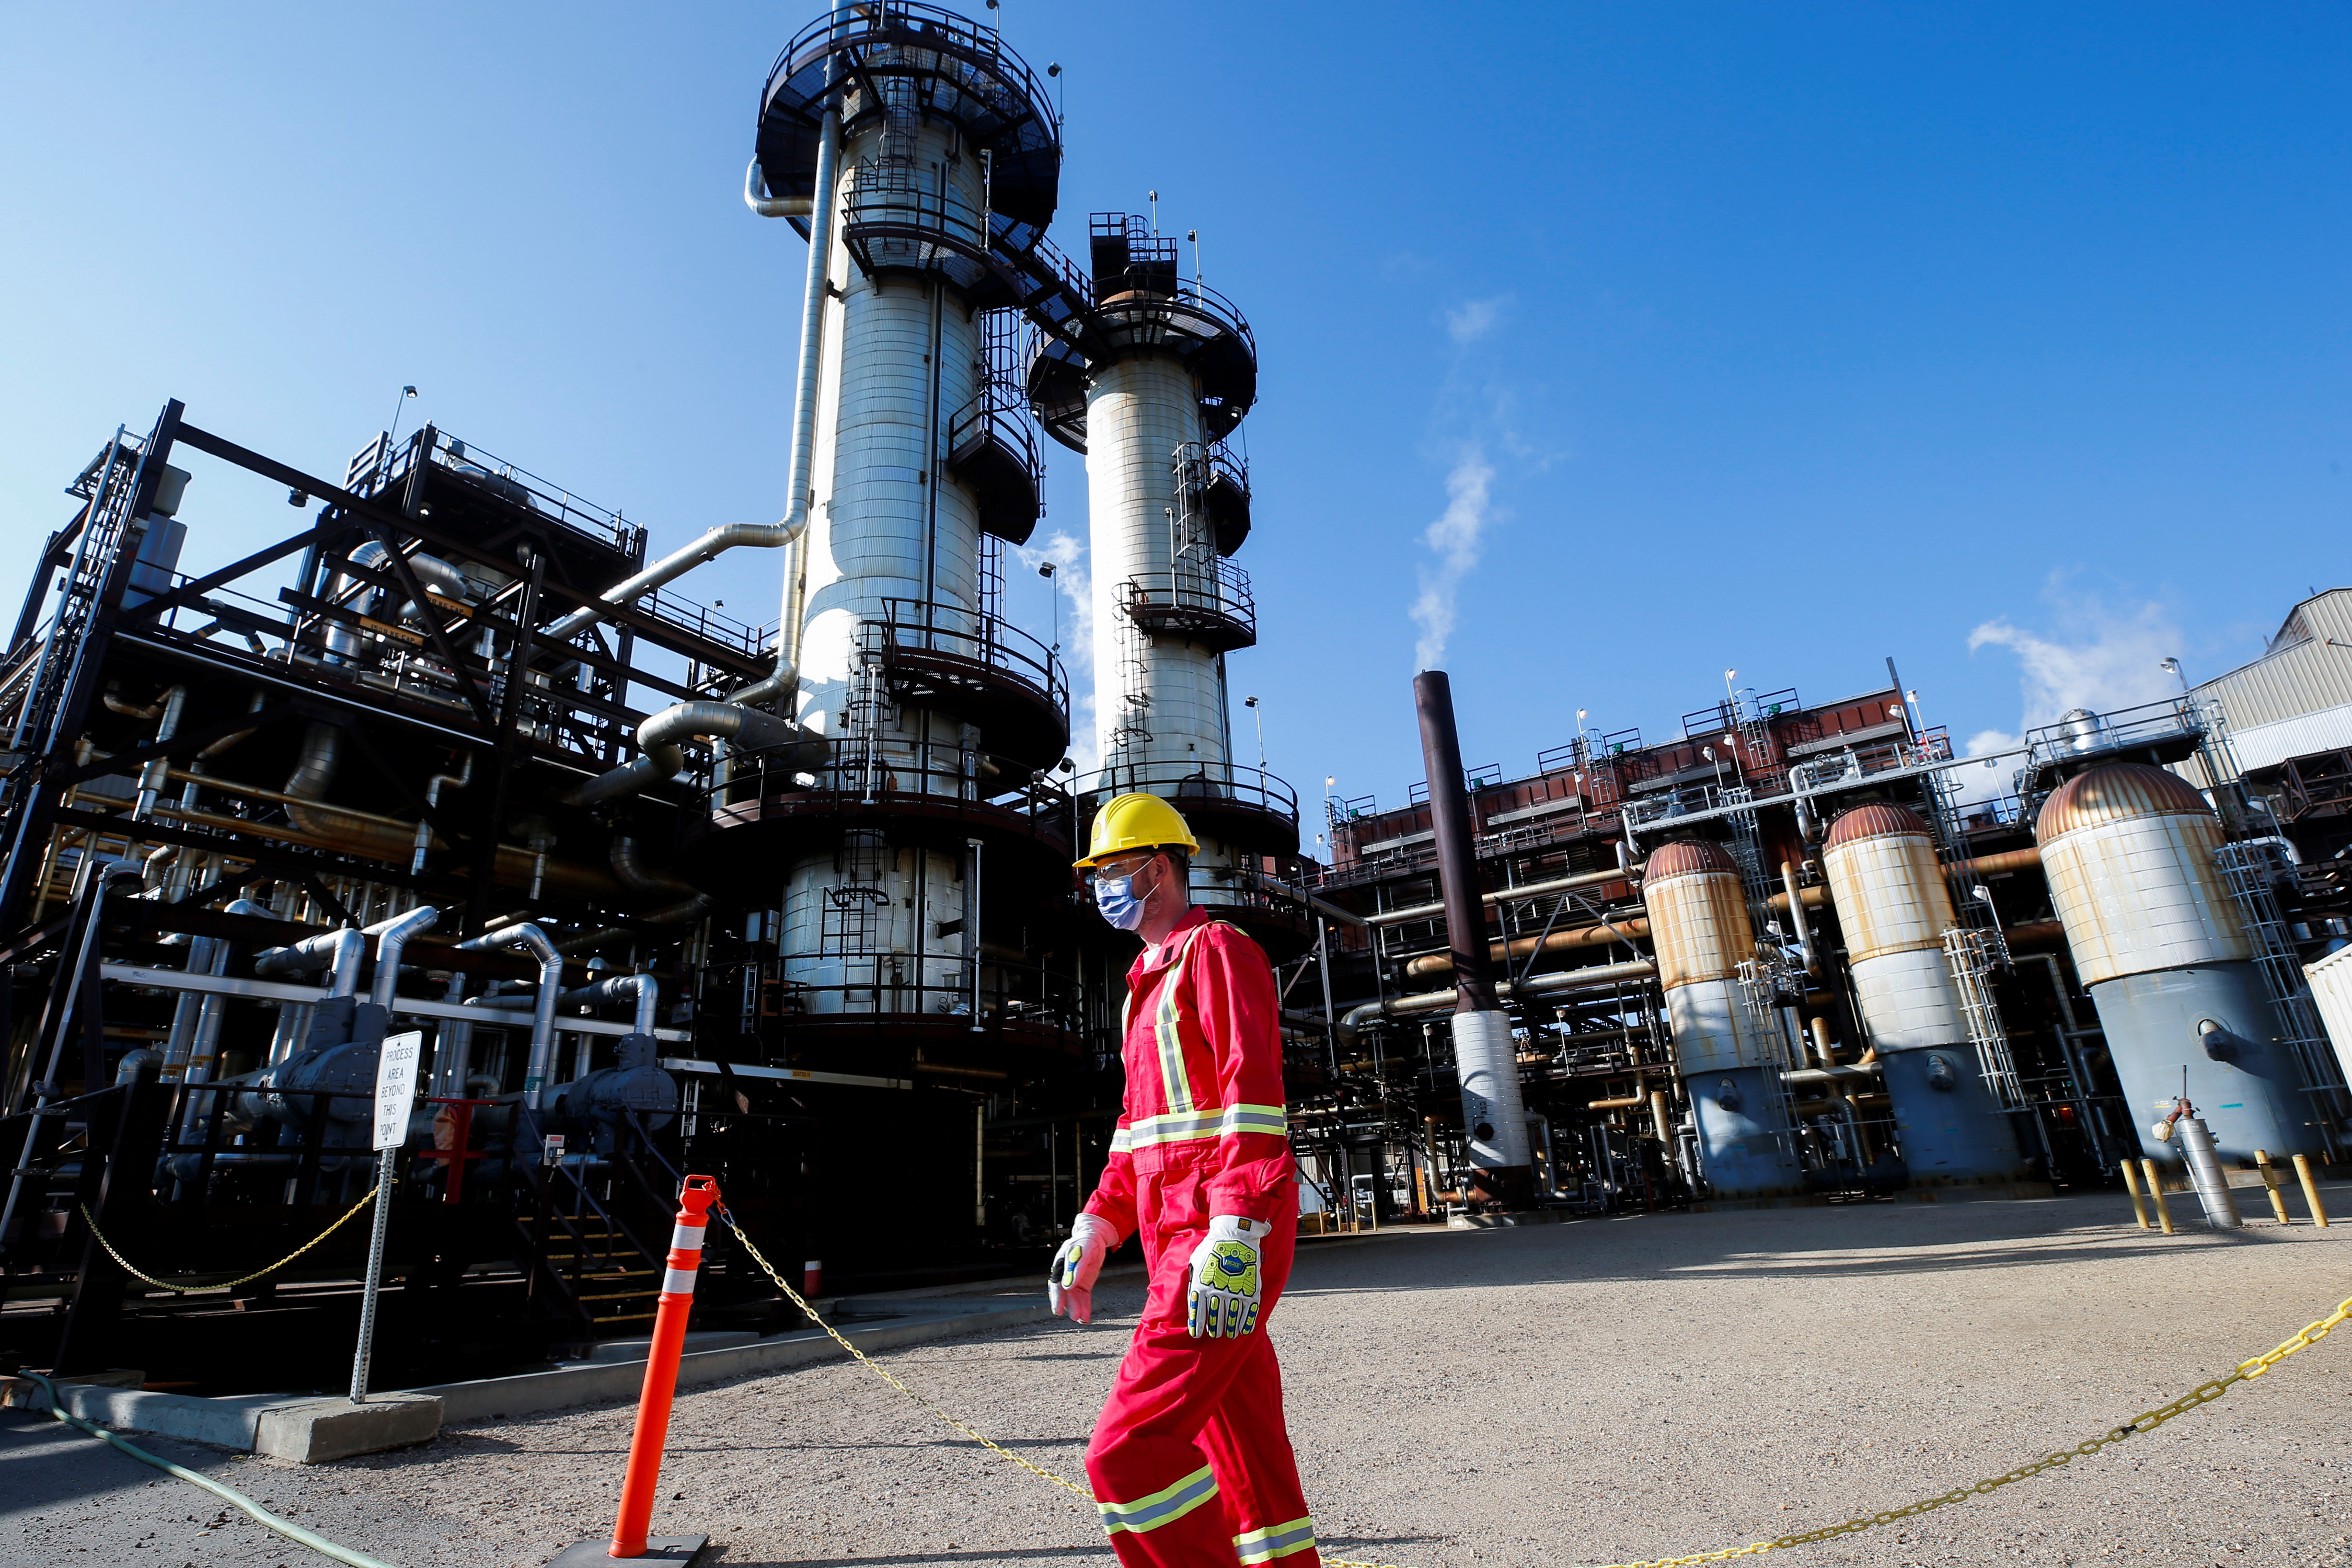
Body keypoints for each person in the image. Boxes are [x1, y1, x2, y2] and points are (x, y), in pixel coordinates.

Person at [1047, 793, 1320, 1567]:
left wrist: (1235, 1232)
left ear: (1157, 868)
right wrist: (1097, 1228)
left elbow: (1253, 1102)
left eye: (1110, 869)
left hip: (1224, 1239)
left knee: (1125, 1453)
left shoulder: (1218, 951)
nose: (1101, 886)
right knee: (1251, 1474)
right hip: (1182, 1247)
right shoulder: (1147, 984)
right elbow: (1138, 1141)